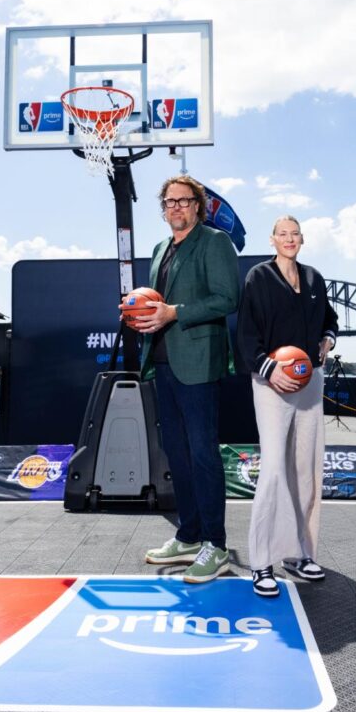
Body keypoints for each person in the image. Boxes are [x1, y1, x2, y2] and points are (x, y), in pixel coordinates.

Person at [131, 175, 240, 584]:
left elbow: (228, 298)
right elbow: (156, 303)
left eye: (184, 201)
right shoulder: (161, 249)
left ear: (199, 206)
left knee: (203, 455)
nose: (176, 207)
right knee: (177, 454)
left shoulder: (214, 243)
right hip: (162, 362)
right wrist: (141, 314)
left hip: (197, 364)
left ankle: (217, 544)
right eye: (169, 202)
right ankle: (190, 535)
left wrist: (174, 312)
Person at [236, 215, 338, 597]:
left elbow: (329, 317)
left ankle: (298, 553)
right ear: (273, 239)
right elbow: (246, 335)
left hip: (310, 381)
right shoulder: (258, 278)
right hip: (272, 381)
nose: (289, 239)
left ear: (303, 239)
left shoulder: (314, 278)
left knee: (306, 471)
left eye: (295, 234)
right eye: (283, 233)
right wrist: (269, 369)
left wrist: (327, 339)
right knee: (275, 470)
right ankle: (261, 562)